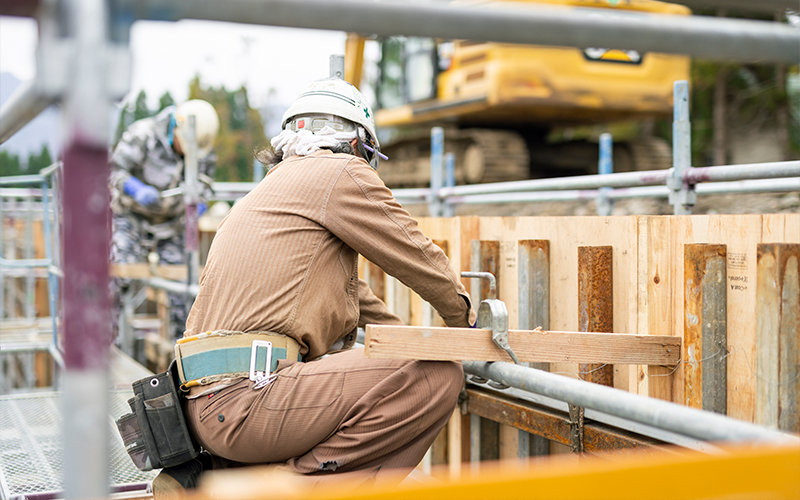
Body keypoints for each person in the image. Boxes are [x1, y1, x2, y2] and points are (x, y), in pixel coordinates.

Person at [152, 78, 476, 495]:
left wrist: (414, 338)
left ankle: (224, 475)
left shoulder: (268, 191)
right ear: (359, 145)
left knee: (416, 365)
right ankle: (278, 487)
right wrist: (466, 327)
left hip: (202, 406)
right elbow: (417, 255)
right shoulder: (340, 172)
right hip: (246, 399)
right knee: (436, 378)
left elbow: (353, 295)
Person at [109, 99, 220, 340]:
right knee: (118, 276)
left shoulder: (202, 148)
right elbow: (114, 169)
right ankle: (103, 344)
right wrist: (134, 187)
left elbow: (206, 186)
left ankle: (182, 352)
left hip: (173, 225)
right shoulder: (143, 135)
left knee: (184, 289)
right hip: (133, 218)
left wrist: (198, 207)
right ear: (176, 130)